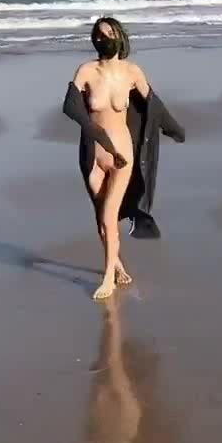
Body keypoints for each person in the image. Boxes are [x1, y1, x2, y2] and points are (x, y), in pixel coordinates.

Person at [62, 16, 184, 300]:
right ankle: (115, 263)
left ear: (119, 37)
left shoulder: (132, 72)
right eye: (98, 35)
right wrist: (97, 135)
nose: (102, 39)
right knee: (101, 216)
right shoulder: (87, 71)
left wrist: (174, 129)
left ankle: (108, 278)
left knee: (109, 215)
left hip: (122, 155)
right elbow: (71, 105)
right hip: (93, 153)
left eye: (108, 34)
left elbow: (154, 104)